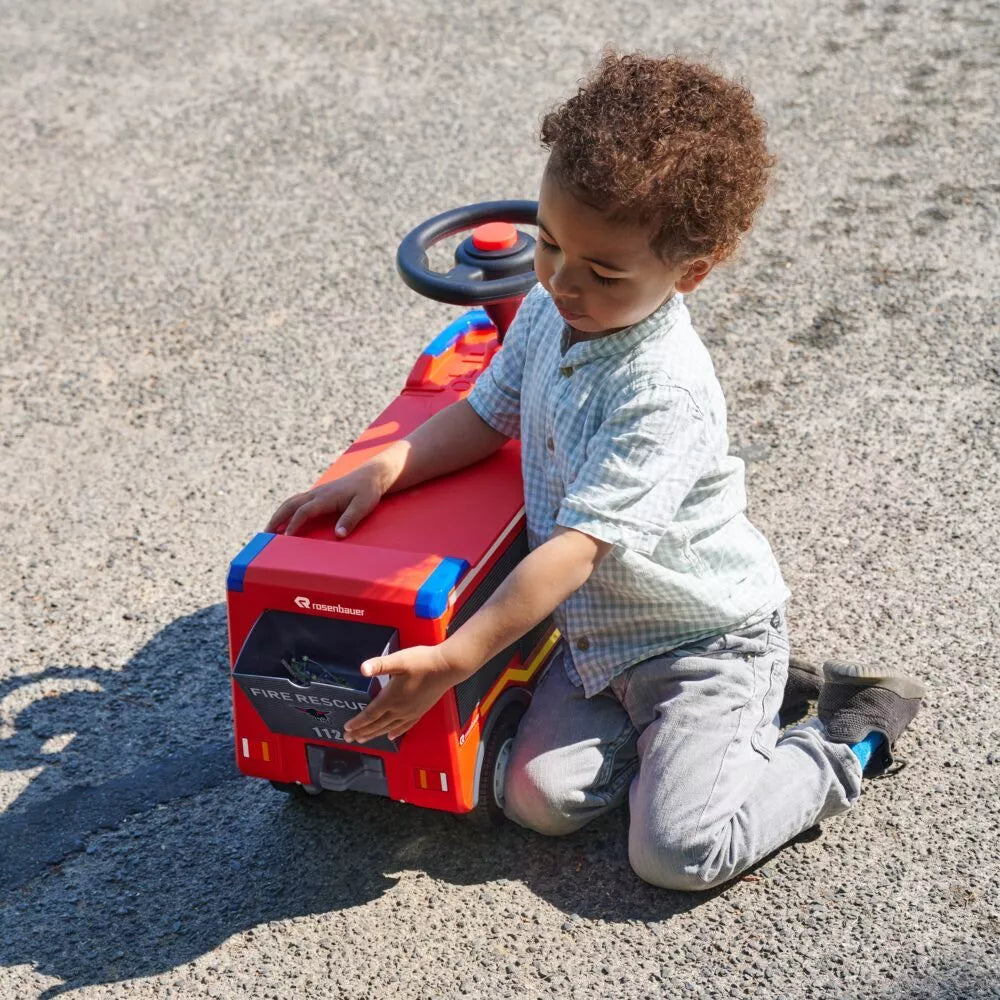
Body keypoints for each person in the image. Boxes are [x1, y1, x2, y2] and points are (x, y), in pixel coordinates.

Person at [265, 52, 925, 890]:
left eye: (604, 271)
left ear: (692, 271)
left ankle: (843, 733)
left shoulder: (665, 392)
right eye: (549, 242)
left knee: (679, 853)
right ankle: (726, 728)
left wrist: (456, 657)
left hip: (700, 639)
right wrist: (391, 464)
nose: (562, 281)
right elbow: (482, 414)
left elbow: (575, 551)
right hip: (598, 638)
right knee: (535, 801)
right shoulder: (548, 310)